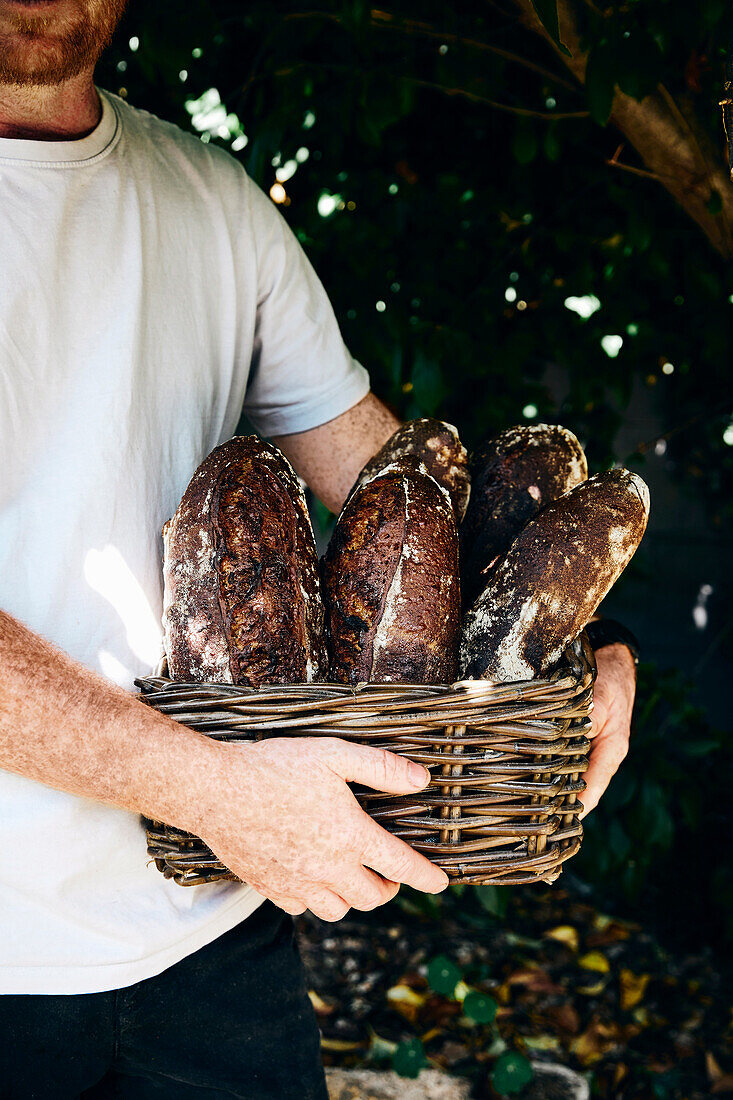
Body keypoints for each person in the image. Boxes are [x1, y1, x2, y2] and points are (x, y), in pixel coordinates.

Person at [0, 1, 637, 1096]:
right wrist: (208, 787)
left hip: (212, 930)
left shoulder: (208, 201)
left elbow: (403, 498)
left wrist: (580, 645)